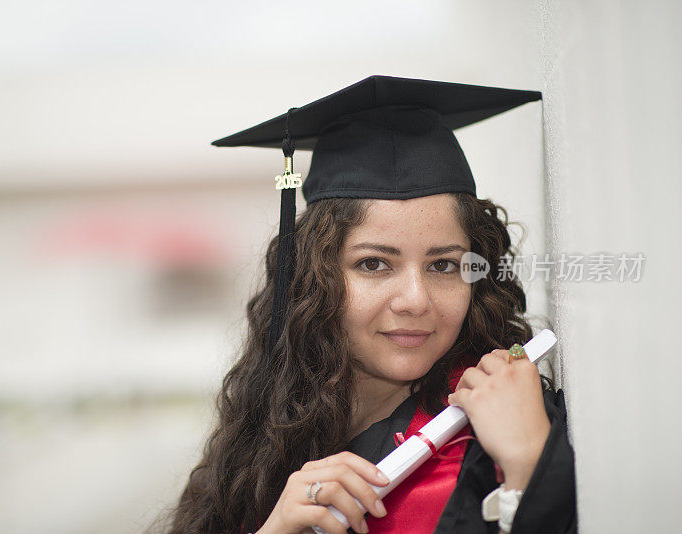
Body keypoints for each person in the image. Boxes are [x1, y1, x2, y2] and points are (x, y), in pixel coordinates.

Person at [159, 76, 576, 534]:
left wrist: (529, 467)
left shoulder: (498, 427)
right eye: (374, 264)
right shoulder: (264, 440)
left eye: (443, 266)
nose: (416, 301)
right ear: (313, 278)